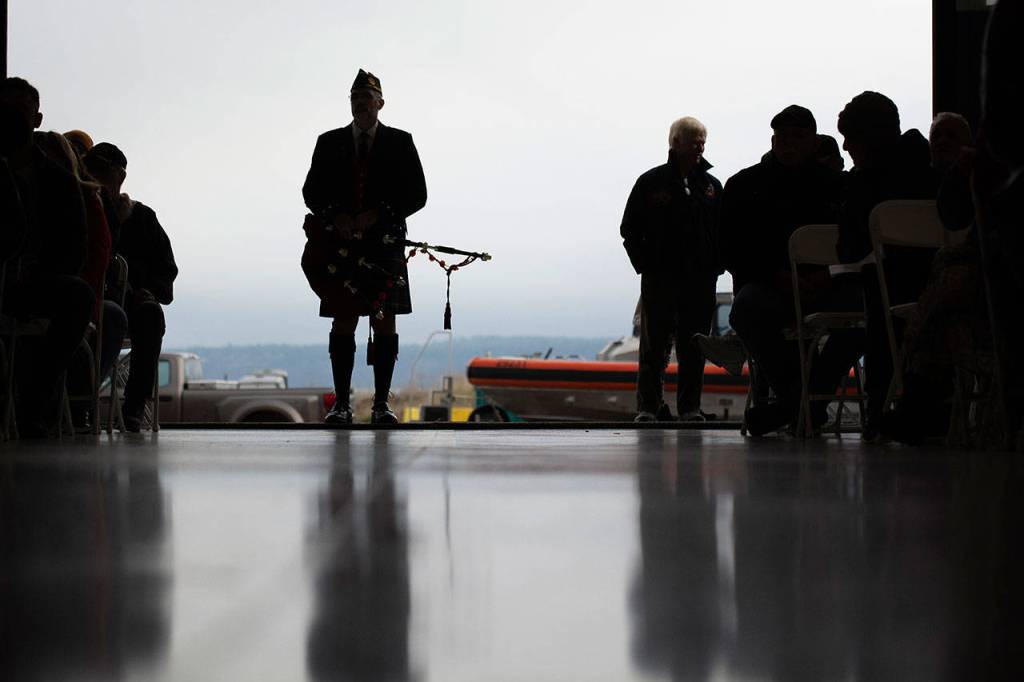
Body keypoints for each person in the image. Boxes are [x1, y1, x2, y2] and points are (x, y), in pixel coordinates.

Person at [302, 69, 427, 424]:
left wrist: (379, 214)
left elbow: (418, 194)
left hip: (385, 243)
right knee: (343, 319)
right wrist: (336, 214)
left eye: (367, 98)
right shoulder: (329, 142)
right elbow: (311, 192)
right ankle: (341, 404)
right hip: (339, 245)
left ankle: (381, 405)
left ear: (380, 103)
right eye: (355, 99)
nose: (360, 104)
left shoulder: (401, 142)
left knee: (384, 322)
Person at [720, 105, 848, 434]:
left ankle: (795, 403)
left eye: (798, 136)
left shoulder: (837, 187)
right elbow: (732, 248)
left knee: (869, 311)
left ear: (814, 142)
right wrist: (781, 277)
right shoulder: (743, 186)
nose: (788, 143)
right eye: (783, 136)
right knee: (747, 308)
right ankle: (808, 402)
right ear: (773, 140)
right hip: (780, 287)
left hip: (815, 285)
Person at [831, 91, 937, 437]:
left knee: (875, 290)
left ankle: (877, 407)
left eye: (850, 138)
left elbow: (848, 249)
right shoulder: (932, 166)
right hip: (939, 285)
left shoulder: (864, 182)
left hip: (891, 293)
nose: (845, 147)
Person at [0, 77, 93, 437]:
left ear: (36, 120)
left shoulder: (59, 180)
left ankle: (34, 401)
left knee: (77, 296)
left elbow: (75, 248)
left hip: (32, 282)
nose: (14, 121)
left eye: (20, 112)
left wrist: (37, 271)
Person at [620, 116, 721, 422]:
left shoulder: (712, 187)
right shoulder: (650, 183)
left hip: (701, 279)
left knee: (695, 346)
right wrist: (646, 265)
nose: (699, 146)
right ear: (675, 142)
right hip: (660, 277)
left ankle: (689, 408)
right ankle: (648, 408)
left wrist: (716, 265)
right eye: (693, 140)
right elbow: (629, 229)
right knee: (654, 345)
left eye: (702, 140)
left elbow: (723, 230)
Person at [35, 132, 129, 430]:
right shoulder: (82, 199)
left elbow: (97, 256)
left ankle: (77, 398)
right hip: (81, 290)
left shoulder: (98, 203)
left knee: (107, 314)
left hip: (91, 291)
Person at [84, 142, 177, 432]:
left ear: (120, 176)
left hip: (129, 300)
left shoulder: (143, 217)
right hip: (93, 295)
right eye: (92, 170)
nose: (97, 176)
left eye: (103, 171)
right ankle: (80, 402)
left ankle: (134, 405)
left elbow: (166, 267)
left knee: (150, 314)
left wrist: (150, 290)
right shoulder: (82, 207)